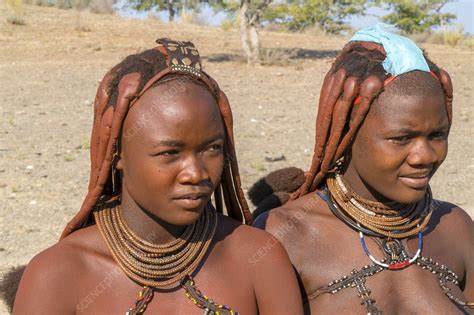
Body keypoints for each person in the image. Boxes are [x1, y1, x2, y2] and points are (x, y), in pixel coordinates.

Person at [12, 38, 303, 314]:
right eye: (169, 153)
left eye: (212, 148)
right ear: (118, 155)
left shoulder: (259, 258)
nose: (196, 173)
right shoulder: (58, 274)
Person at [254, 25, 474, 314]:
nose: (424, 156)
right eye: (401, 138)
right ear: (347, 134)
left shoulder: (454, 226)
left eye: (437, 135)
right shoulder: (285, 235)